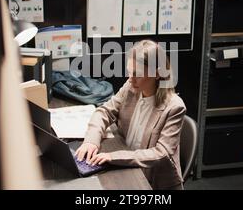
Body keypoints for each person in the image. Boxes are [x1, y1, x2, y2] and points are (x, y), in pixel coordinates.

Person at [75, 40, 187, 190]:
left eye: (137, 74)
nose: (130, 79)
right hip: (127, 165)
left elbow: (161, 154)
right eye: (129, 72)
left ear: (158, 73)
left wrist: (113, 157)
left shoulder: (174, 107)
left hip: (153, 181)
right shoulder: (131, 86)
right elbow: (104, 111)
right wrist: (91, 141)